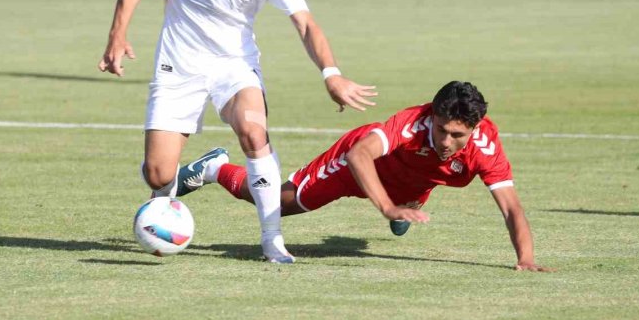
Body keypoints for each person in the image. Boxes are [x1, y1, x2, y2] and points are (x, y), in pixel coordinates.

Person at [99, 0, 377, 264]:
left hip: (235, 65)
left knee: (253, 130)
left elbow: (305, 23)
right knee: (159, 174)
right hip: (179, 65)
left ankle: (272, 239)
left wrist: (330, 73)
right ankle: (175, 192)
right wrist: (117, 35)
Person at [177, 81, 553, 272]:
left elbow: (511, 209)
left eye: (457, 135)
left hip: (411, 181)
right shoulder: (410, 126)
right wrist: (386, 206)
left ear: (475, 127)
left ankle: (410, 202)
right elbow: (360, 155)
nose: (446, 140)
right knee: (277, 203)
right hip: (356, 168)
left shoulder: (486, 146)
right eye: (441, 129)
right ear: (432, 116)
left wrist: (526, 258)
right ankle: (213, 167)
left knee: (426, 177)